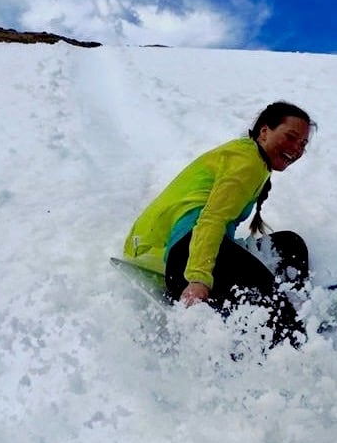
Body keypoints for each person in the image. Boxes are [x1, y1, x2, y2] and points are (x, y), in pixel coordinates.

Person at [122, 101, 316, 348]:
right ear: (264, 131)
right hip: (185, 254)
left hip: (192, 249)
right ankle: (291, 338)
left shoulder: (247, 156)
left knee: (289, 244)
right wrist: (198, 279)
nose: (297, 149)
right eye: (290, 137)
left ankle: (297, 307)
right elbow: (211, 219)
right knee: (268, 296)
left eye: (302, 144)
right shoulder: (247, 162)